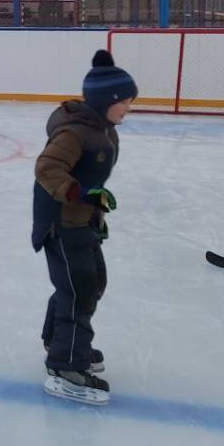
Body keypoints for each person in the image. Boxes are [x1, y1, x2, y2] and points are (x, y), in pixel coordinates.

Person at [32, 49, 137, 406]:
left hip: (82, 219)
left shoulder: (102, 128)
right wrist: (79, 194)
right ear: (104, 101)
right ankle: (65, 365)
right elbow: (47, 168)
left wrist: (95, 206)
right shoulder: (76, 133)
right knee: (80, 291)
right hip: (61, 222)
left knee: (87, 284)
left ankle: (59, 340)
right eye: (123, 101)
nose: (128, 108)